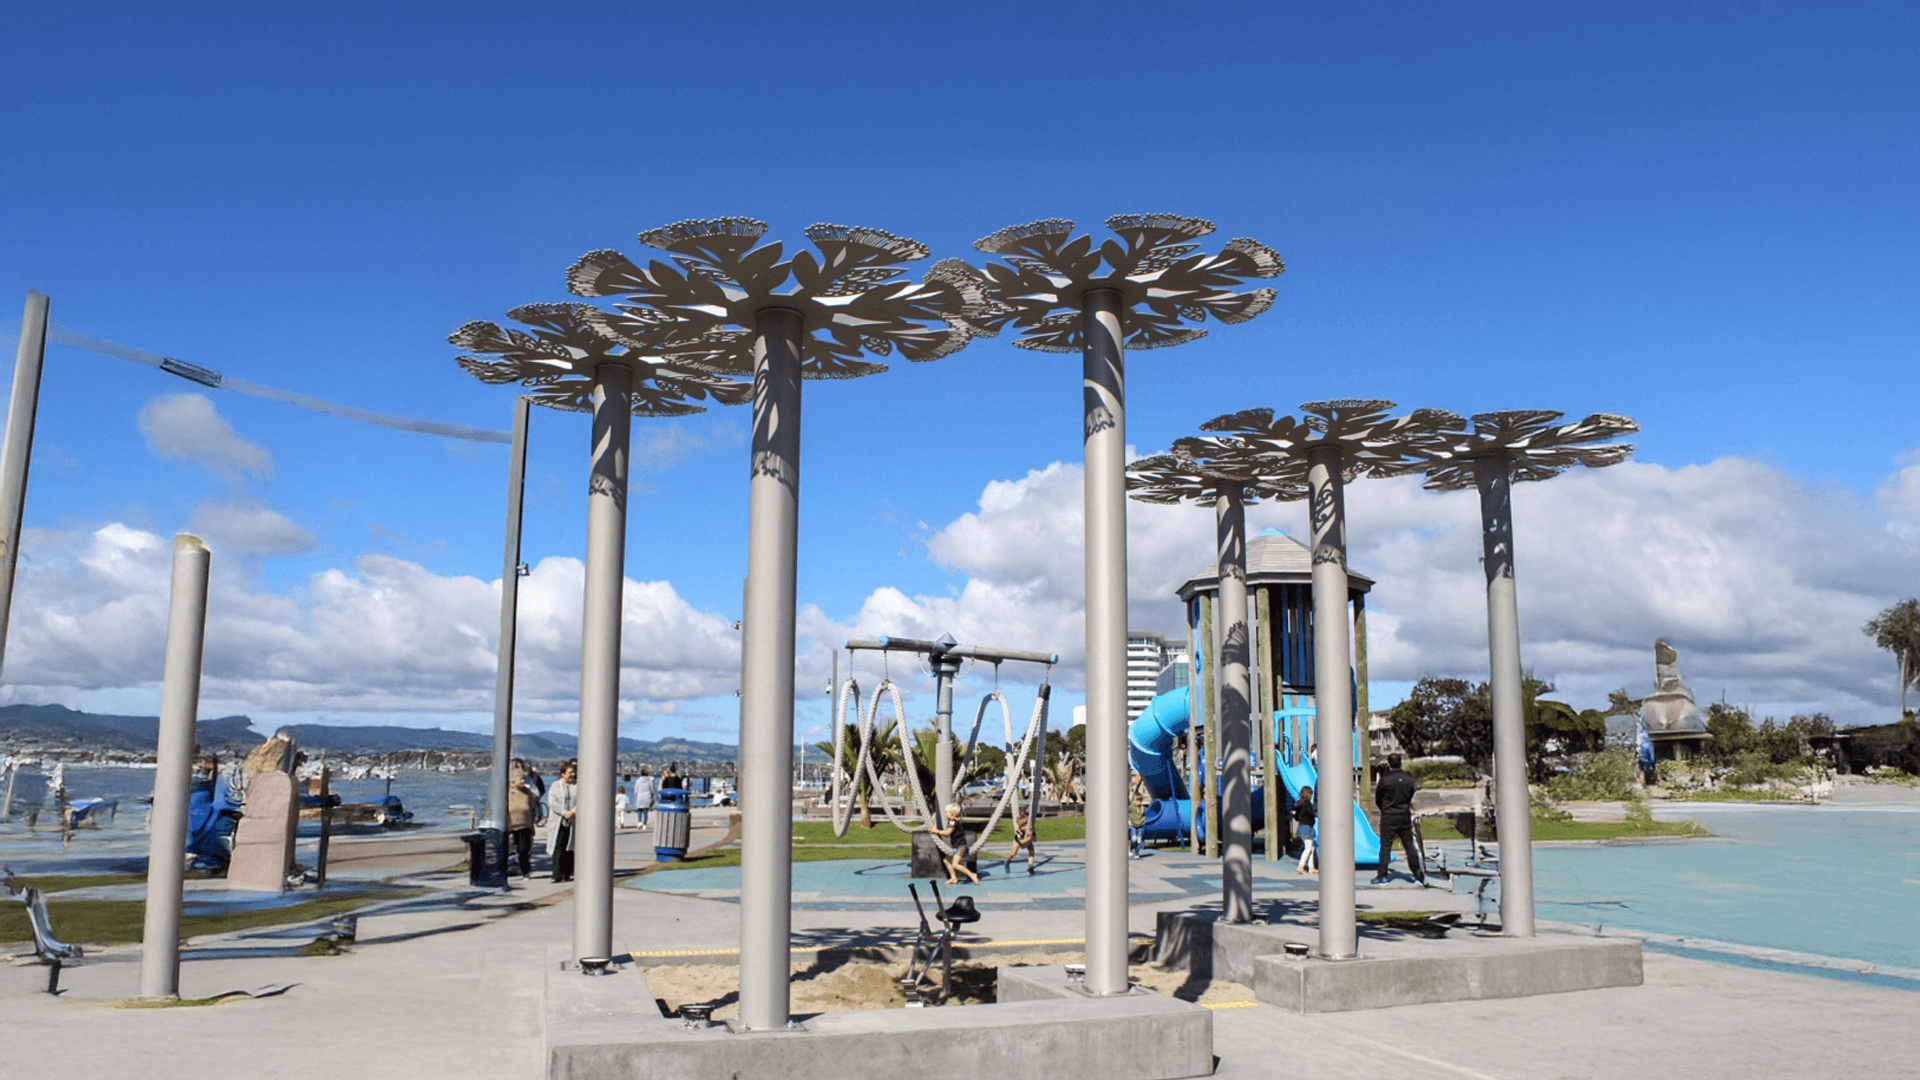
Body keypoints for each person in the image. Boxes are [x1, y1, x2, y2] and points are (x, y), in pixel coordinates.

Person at [1372, 753, 1424, 885]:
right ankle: (1417, 874)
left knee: (1385, 846)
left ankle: (1382, 875)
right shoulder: (1408, 779)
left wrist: (1384, 808)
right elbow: (1412, 793)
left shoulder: (1385, 779)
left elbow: (1378, 798)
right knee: (1409, 846)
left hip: (1389, 815)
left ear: (1388, 764)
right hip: (1404, 814)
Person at [546, 760, 579, 883]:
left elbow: (582, 800)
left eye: (573, 772)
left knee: (569, 847)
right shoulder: (555, 786)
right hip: (558, 821)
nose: (572, 774)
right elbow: (552, 802)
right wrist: (564, 812)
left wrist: (573, 812)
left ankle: (567, 873)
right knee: (558, 846)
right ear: (563, 774)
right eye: (570, 772)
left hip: (572, 820)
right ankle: (556, 874)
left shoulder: (577, 786)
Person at [506, 758, 539, 878]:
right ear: (512, 780)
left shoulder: (527, 792)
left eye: (523, 779)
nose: (522, 782)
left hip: (525, 825)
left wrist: (532, 823)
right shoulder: (506, 793)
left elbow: (532, 806)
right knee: (511, 850)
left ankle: (526, 871)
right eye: (520, 779)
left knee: (524, 850)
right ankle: (510, 869)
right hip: (511, 826)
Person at [931, 804, 979, 885]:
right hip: (957, 847)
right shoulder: (954, 822)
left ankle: (972, 874)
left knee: (955, 864)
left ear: (952, 814)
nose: (946, 815)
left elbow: (947, 833)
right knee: (946, 860)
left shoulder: (952, 822)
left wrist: (936, 831)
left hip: (960, 847)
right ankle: (953, 878)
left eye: (947, 813)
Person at [1293, 784, 1318, 875]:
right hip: (1307, 828)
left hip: (1301, 827)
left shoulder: (1298, 804)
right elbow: (1311, 813)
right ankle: (1301, 865)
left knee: (1311, 847)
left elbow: (1296, 817)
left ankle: (1311, 867)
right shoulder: (1307, 803)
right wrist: (1314, 816)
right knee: (1308, 848)